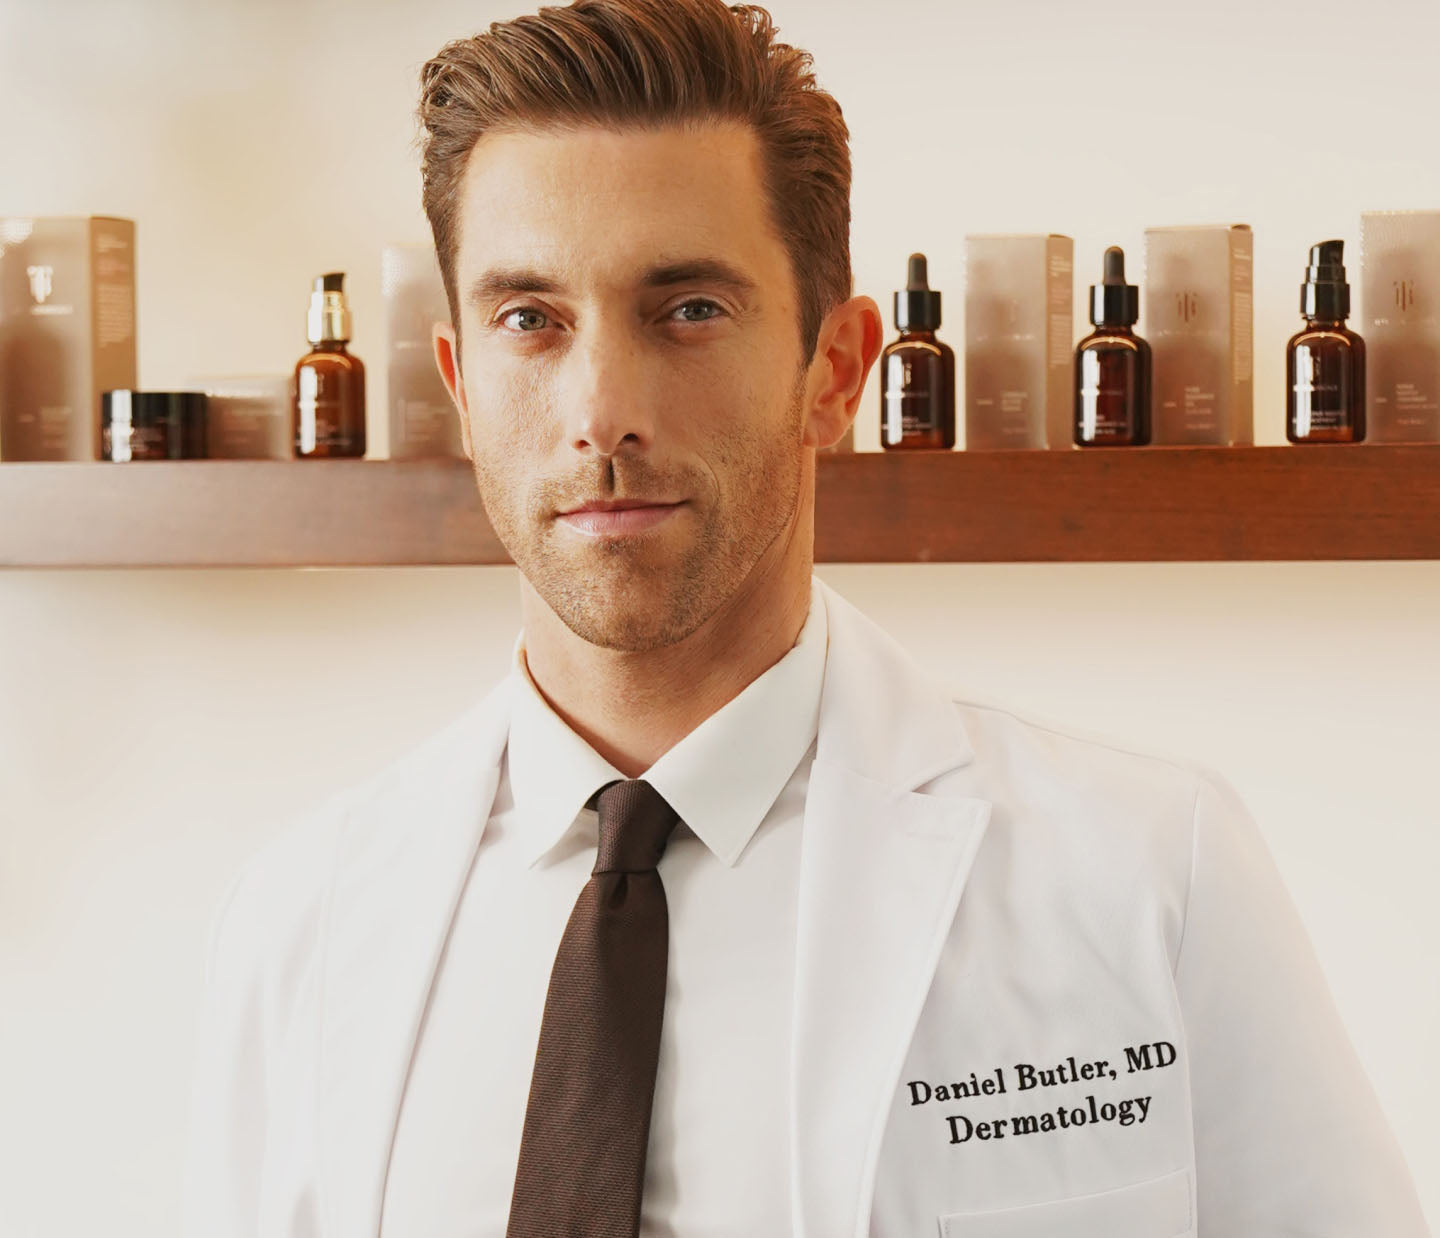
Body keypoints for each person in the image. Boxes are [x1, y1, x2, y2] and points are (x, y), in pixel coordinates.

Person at [179, 1, 1430, 1234]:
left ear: (834, 371)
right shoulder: (305, 921)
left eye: (688, 309)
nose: (602, 410)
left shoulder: (1150, 870)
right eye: (529, 319)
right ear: (460, 379)